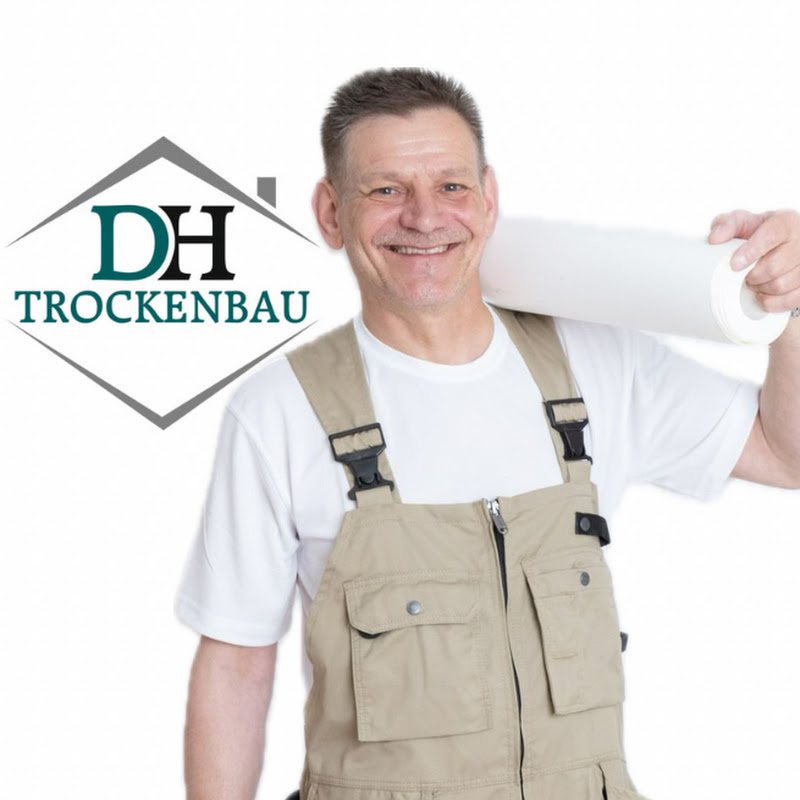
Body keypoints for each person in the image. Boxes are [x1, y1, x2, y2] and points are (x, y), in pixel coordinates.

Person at [175, 68, 800, 800]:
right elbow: (236, 664)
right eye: (386, 189)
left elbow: (785, 455)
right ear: (331, 213)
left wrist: (791, 306)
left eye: (451, 186)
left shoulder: (597, 363)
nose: (424, 217)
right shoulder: (280, 411)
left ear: (489, 198)